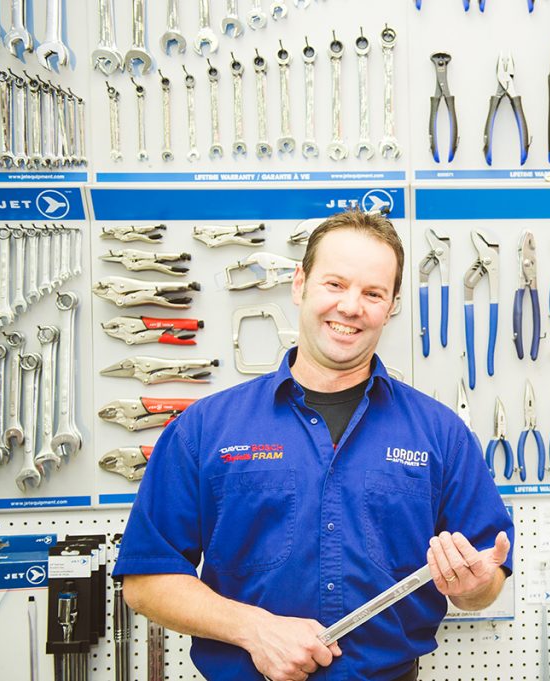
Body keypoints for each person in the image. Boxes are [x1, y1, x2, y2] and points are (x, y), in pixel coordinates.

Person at [114, 209, 514, 681]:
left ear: (392, 305)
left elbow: (486, 582)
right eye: (335, 284)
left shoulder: (440, 433)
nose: (350, 307)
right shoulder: (205, 428)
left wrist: (473, 585)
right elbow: (145, 582)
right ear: (300, 284)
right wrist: (253, 629)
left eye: (373, 293)